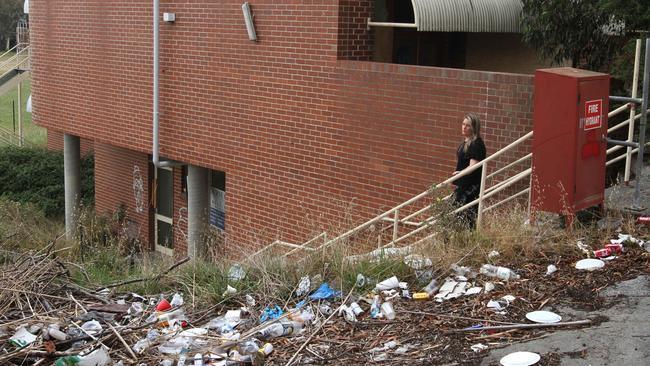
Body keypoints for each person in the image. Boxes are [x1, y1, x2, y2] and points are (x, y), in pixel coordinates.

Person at [451, 113, 486, 228]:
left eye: (468, 125)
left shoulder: (477, 144)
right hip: (462, 184)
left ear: (474, 128)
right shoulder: (466, 142)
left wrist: (460, 173)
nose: (464, 127)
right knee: (455, 214)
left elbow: (472, 167)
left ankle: (467, 241)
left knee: (466, 217)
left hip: (471, 187)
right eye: (463, 124)